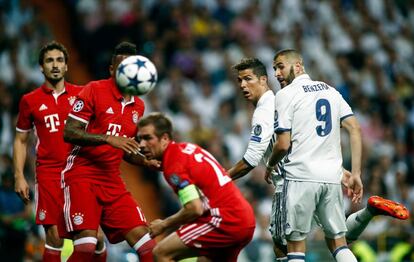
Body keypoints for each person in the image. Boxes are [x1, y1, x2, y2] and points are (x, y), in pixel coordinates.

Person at [234, 56, 409, 261]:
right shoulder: (321, 92)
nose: (243, 85)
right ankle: (368, 212)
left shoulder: (274, 103)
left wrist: (223, 178)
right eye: (240, 81)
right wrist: (347, 171)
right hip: (326, 173)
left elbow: (258, 156)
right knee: (339, 240)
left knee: (288, 248)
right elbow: (329, 133)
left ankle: (368, 212)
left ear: (264, 79)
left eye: (248, 79)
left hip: (293, 181)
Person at [61, 41, 158, 262]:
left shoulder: (139, 106)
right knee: (86, 246)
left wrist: (145, 162)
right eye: (121, 67)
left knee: (149, 247)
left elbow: (126, 149)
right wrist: (107, 138)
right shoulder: (94, 90)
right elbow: (69, 131)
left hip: (112, 180)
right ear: (112, 70)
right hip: (81, 174)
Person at [265, 48, 362, 261]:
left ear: (298, 66)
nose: (277, 73)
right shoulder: (331, 91)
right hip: (331, 178)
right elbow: (354, 128)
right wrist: (355, 173)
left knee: (295, 248)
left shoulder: (285, 95)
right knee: (339, 243)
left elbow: (282, 145)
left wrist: (270, 165)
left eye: (280, 67)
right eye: (274, 69)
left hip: (300, 177)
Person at [13, 41, 107, 262]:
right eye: (49, 60)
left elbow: (98, 133)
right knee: (54, 238)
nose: (55, 65)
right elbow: (20, 139)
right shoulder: (30, 100)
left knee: (94, 238)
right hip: (48, 174)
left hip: (80, 173)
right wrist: (19, 175)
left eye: (59, 60)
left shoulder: (83, 95)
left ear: (66, 66)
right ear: (41, 67)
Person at [136, 112, 255, 262]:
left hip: (224, 220)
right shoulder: (188, 148)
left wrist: (164, 225)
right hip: (245, 219)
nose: (141, 145)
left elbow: (194, 208)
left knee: (161, 252)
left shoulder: (173, 164)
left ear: (165, 138)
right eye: (140, 139)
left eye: (148, 138)